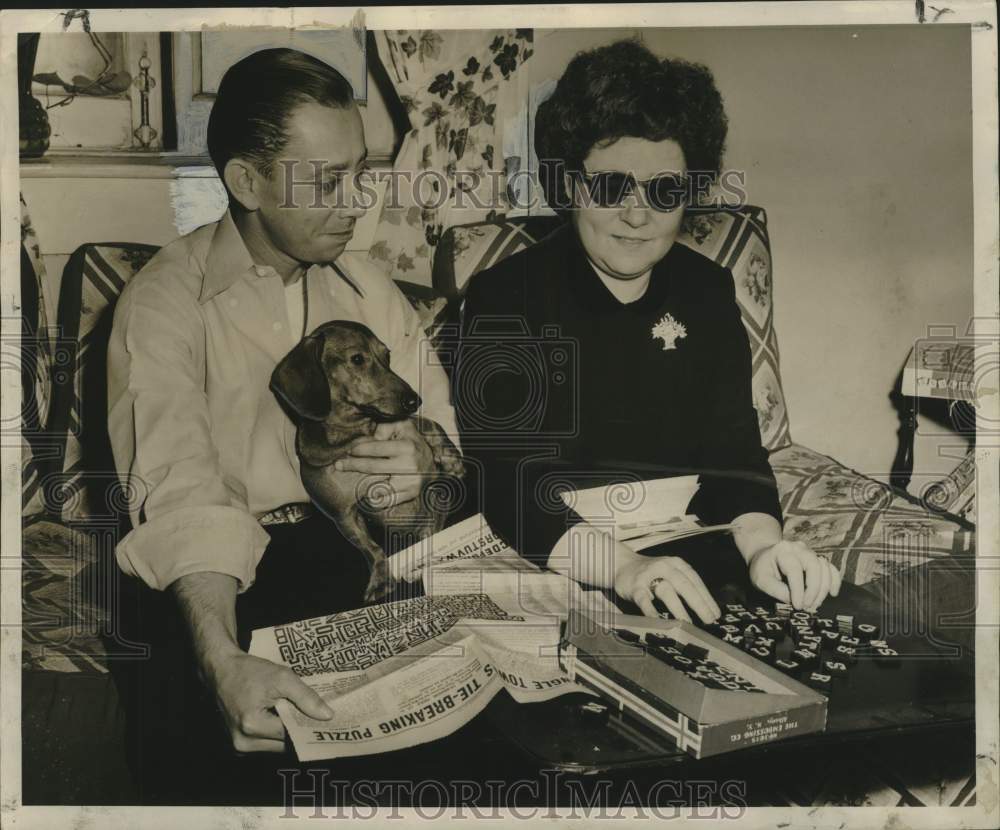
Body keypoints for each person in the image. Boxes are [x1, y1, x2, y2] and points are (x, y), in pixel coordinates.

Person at [106, 48, 457, 795]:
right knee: (224, 770)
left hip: (349, 553)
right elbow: (182, 496)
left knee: (454, 761)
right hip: (210, 578)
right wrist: (223, 659)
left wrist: (421, 478)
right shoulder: (164, 303)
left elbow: (446, 459)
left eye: (360, 171)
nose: (358, 200)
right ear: (246, 181)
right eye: (328, 181)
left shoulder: (372, 294)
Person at [455, 39, 841, 624]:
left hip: (686, 551)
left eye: (664, 192)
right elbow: (511, 485)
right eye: (611, 187)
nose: (638, 215)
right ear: (570, 186)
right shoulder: (505, 297)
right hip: (556, 552)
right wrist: (624, 569)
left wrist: (764, 547)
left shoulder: (708, 290)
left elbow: (734, 457)